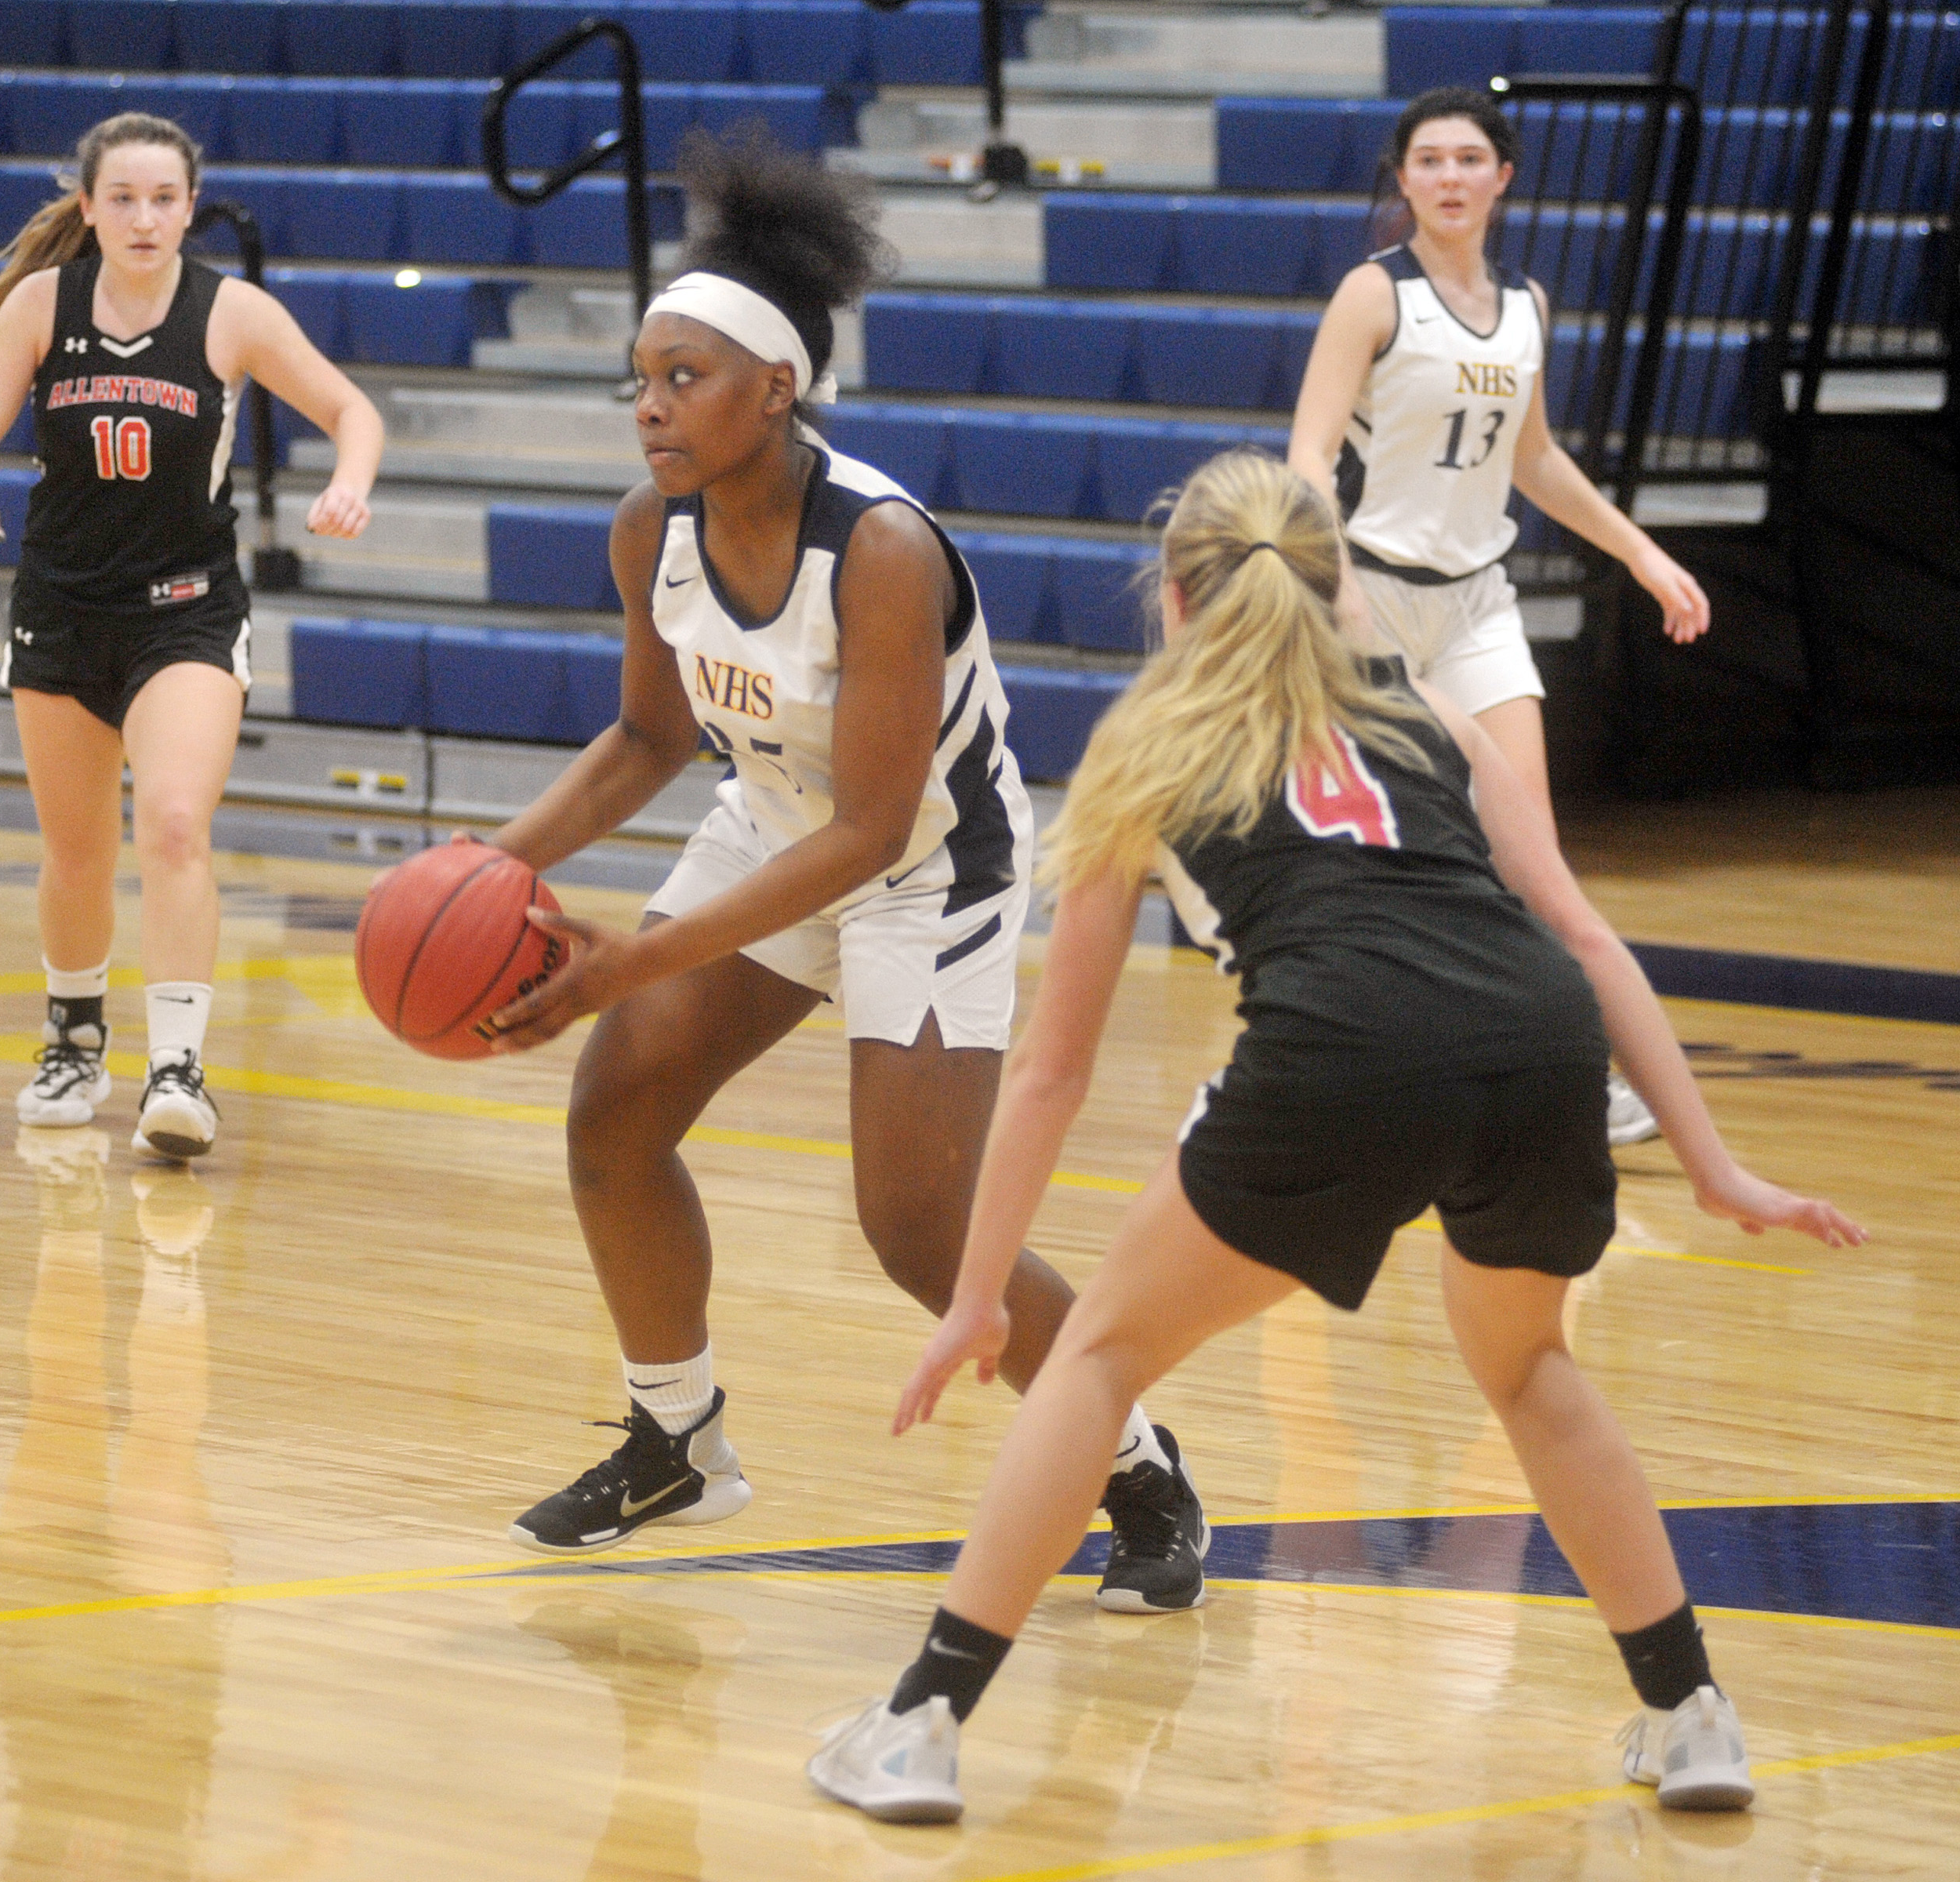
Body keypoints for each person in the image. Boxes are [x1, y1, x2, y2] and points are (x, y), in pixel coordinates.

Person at [805, 449, 1863, 1824]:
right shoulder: (1422, 705)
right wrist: (1712, 1165)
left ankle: (920, 1726)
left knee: (1105, 1351)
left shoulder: (1146, 739)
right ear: (1335, 584)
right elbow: (1583, 934)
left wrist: (973, 1300)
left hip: (1345, 1053)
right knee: (1533, 1367)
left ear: (1173, 601)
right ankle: (1692, 1714)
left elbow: (1056, 1070)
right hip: (1539, 1043)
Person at [475, 133, 1209, 1610]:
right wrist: (485, 863)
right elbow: (645, 733)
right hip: (770, 821)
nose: (650, 406)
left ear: (777, 390)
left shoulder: (876, 550)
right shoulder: (650, 531)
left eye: (684, 379)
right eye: (641, 376)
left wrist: (629, 959)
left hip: (928, 863)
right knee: (614, 1115)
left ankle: (1138, 1462)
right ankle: (675, 1437)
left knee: (921, 1229)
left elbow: (870, 833)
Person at [0, 113, 383, 1159]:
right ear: (87, 207)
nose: (144, 218)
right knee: (76, 853)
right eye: (122, 199)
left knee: (175, 823)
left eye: (164, 199)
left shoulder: (233, 313)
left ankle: (177, 1068)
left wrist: (349, 484)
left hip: (184, 611)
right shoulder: (44, 304)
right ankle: (74, 1034)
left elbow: (351, 409)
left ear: (191, 205)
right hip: (60, 605)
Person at [1287, 85, 1711, 1148]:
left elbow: (1535, 458)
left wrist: (1643, 551)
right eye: (1426, 161)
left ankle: (1571, 1081)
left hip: (1479, 605)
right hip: (1372, 596)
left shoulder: (1526, 302)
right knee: (1390, 860)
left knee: (1533, 859)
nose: (1447, 177)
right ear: (1404, 180)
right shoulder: (1371, 296)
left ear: (1502, 177)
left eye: (1467, 159)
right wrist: (1332, 589)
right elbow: (1306, 453)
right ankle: (1339, 1065)